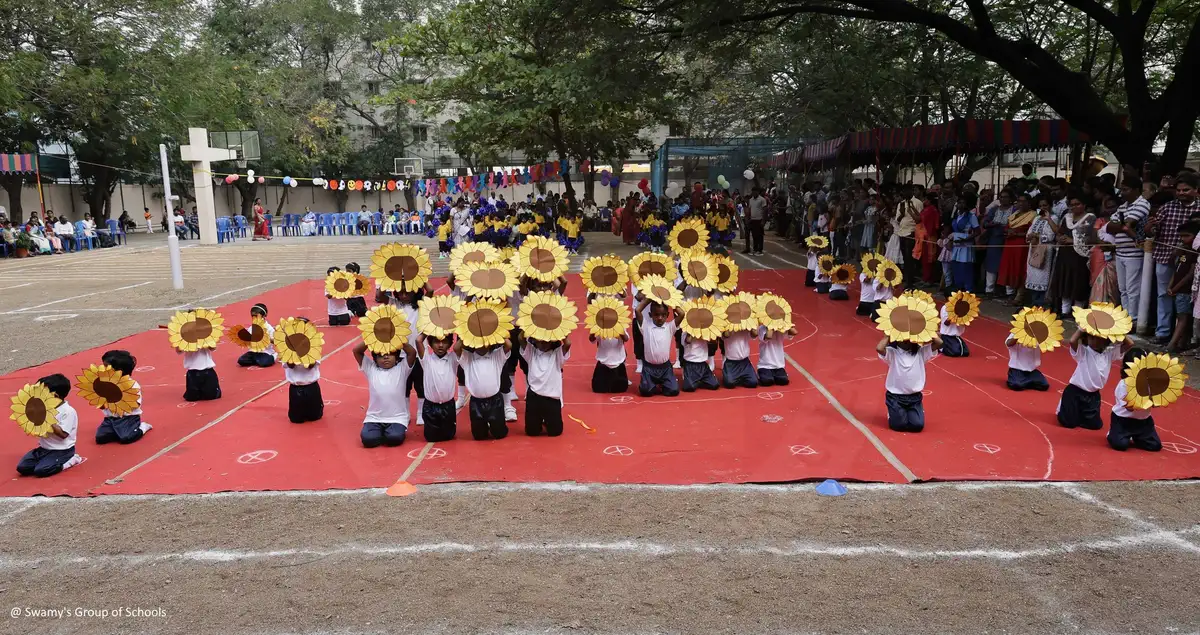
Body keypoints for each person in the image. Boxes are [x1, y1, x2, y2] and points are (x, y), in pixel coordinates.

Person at [1147, 172, 1199, 342]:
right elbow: (1152, 232)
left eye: (1186, 190)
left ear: (1196, 190)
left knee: (1189, 297)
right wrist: (1150, 228)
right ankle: (1163, 332)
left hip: (1192, 262)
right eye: (1179, 190)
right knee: (1164, 294)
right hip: (1165, 257)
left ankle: (1185, 337)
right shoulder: (1167, 207)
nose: (1181, 193)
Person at [1057, 328, 1134, 431]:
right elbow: (1072, 341)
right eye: (1091, 338)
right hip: (1075, 392)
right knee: (1068, 423)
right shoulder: (1084, 352)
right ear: (1086, 338)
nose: (1095, 341)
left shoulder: (1109, 354)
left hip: (1093, 395)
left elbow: (1130, 344)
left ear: (1106, 340)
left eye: (1099, 338)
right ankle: (1063, 407)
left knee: (1095, 425)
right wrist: (1081, 329)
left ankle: (1079, 414)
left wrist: (1117, 331)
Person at [15, 374, 86, 477]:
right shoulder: (44, 407)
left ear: (55, 396)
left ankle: (71, 460)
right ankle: (46, 460)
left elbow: (63, 435)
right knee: (23, 467)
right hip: (43, 448)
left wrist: (47, 418)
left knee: (42, 470)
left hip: (61, 450)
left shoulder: (68, 411)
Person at [353, 337, 417, 448]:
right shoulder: (371, 368)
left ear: (397, 357)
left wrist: (397, 338)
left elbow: (412, 352)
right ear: (375, 358)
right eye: (381, 355)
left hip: (397, 418)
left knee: (394, 438)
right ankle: (380, 433)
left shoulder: (402, 368)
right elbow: (356, 351)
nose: (386, 357)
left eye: (390, 354)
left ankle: (388, 433)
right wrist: (373, 337)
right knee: (368, 439)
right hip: (374, 418)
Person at [877, 334, 943, 433]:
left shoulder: (921, 352)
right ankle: (892, 413)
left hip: (914, 397)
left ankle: (914, 412)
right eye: (903, 338)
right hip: (895, 396)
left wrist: (926, 331)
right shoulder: (893, 353)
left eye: (909, 338)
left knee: (917, 426)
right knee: (898, 425)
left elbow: (940, 343)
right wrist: (889, 334)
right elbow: (879, 348)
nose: (906, 340)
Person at [1107, 177, 1151, 321]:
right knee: (1123, 289)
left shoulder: (1142, 204)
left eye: (1125, 189)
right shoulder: (1123, 206)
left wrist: (1122, 226)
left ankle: (1134, 318)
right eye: (1121, 189)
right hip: (1120, 252)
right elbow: (1110, 226)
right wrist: (1122, 226)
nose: (1122, 193)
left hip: (1134, 253)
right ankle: (1126, 317)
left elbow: (1128, 224)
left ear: (1136, 190)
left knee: (1133, 289)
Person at [1048, 194, 1096, 319]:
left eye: (1077, 204)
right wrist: (1061, 238)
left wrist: (1072, 241)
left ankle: (1078, 312)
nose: (1074, 207)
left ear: (1084, 205)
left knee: (1078, 282)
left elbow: (1091, 237)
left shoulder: (1090, 218)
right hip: (1065, 254)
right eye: (1072, 205)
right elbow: (1060, 232)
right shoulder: (1067, 217)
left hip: (1080, 255)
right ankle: (1065, 311)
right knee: (1065, 280)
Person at [455, 335, 511, 441]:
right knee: (479, 436)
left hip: (495, 401)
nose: (482, 344)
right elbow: (456, 348)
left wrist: (496, 331)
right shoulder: (468, 357)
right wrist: (466, 334)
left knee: (499, 433)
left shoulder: (496, 355)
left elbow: (508, 344)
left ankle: (498, 425)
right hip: (476, 402)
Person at [1107, 348, 1163, 452]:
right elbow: (1130, 408)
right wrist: (1147, 399)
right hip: (1123, 420)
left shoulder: (1151, 383)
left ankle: (1137, 436)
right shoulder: (1124, 385)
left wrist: (1157, 398)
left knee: (1155, 445)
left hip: (1143, 421)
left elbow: (1157, 403)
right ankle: (1113, 433)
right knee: (1120, 445)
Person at [95, 350, 152, 444]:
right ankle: (117, 431)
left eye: (106, 367)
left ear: (119, 371)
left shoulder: (132, 385)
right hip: (111, 418)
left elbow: (135, 404)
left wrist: (117, 401)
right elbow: (101, 404)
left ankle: (142, 427)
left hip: (128, 418)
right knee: (100, 438)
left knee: (126, 438)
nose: (103, 370)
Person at [520, 334, 570, 437]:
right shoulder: (531, 352)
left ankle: (547, 420)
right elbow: (520, 338)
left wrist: (560, 331)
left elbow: (568, 343)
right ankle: (539, 420)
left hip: (551, 398)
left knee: (555, 432)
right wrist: (529, 328)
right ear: (535, 341)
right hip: (534, 397)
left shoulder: (557, 354)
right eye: (540, 341)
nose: (543, 343)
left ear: (552, 341)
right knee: (531, 432)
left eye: (547, 341)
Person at [419, 333, 459, 442]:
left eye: (445, 342)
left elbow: (459, 345)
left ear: (450, 343)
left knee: (449, 436)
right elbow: (418, 341)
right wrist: (429, 327)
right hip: (430, 406)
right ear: (430, 343)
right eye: (436, 342)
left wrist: (459, 328)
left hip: (448, 406)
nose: (440, 345)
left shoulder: (453, 358)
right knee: (431, 437)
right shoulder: (427, 359)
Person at [1166, 221, 1199, 353]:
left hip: (1184, 290)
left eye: (1187, 236)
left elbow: (1190, 274)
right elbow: (1176, 269)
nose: (1183, 239)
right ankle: (1180, 343)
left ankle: (1171, 345)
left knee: (1182, 318)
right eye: (1181, 236)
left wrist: (1175, 288)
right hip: (1177, 290)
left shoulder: (1194, 252)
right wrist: (1170, 285)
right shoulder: (1182, 251)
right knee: (1182, 316)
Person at [635, 300, 679, 397]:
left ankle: (660, 384)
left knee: (674, 391)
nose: (660, 318)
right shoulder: (645, 326)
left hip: (665, 367)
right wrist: (650, 298)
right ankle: (653, 384)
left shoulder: (670, 327)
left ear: (668, 315)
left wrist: (670, 300)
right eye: (656, 314)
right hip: (649, 367)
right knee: (645, 391)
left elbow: (682, 314)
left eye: (663, 315)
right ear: (650, 314)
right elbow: (638, 310)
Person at [996, 193, 1035, 302]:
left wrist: (1017, 234)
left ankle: (1020, 296)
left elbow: (1033, 232)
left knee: (1020, 268)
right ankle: (1011, 294)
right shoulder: (1014, 214)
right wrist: (1008, 231)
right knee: (1010, 268)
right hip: (1010, 244)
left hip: (1022, 245)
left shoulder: (1033, 215)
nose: (1020, 203)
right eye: (1019, 201)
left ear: (1029, 203)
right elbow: (1007, 227)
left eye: (1023, 201)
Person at [284, 323, 323, 424]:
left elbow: (310, 365)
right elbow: (290, 365)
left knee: (315, 416)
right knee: (296, 419)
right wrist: (294, 350)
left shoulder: (314, 346)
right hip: (296, 387)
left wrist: (303, 350)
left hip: (311, 386)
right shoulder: (288, 348)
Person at [1025, 197, 1058, 307]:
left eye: (1045, 205)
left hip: (1046, 251)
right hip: (1033, 249)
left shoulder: (1054, 218)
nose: (1043, 208)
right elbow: (1029, 232)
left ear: (1050, 206)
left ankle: (1042, 303)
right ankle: (1035, 302)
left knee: (1044, 277)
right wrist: (1030, 236)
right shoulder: (1036, 218)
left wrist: (1037, 235)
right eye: (1040, 206)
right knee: (1032, 276)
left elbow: (1051, 236)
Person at [180, 315, 222, 402]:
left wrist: (204, 341)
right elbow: (179, 349)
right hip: (192, 372)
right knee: (192, 398)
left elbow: (212, 347)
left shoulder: (206, 334)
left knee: (211, 396)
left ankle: (212, 389)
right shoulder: (184, 336)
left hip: (207, 371)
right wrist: (189, 343)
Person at [948, 197, 980, 292]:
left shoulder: (971, 216)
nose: (960, 205)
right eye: (959, 202)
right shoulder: (956, 215)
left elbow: (977, 231)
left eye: (963, 203)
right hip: (956, 244)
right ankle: (958, 288)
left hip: (965, 245)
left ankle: (968, 289)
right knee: (956, 266)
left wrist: (966, 238)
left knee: (965, 267)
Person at [590, 327, 630, 393]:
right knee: (598, 389)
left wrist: (618, 329)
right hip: (603, 362)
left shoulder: (620, 324)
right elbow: (592, 340)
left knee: (620, 389)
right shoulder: (599, 324)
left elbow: (626, 338)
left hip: (618, 362)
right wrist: (593, 330)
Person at [237, 303, 277, 367]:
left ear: (264, 316)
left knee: (264, 363)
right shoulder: (252, 327)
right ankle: (257, 360)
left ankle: (273, 355)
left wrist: (266, 338)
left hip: (265, 351)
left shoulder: (269, 328)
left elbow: (275, 341)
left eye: (257, 316)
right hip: (253, 351)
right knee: (241, 360)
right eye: (253, 316)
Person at [721, 322, 758, 388]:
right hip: (731, 362)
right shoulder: (726, 323)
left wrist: (750, 324)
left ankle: (740, 377)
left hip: (745, 362)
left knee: (753, 382)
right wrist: (733, 323)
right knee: (729, 383)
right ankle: (729, 374)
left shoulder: (746, 321)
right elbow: (726, 335)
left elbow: (755, 334)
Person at [745, 187, 767, 256]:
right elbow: (749, 209)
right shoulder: (751, 200)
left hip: (759, 219)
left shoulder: (762, 200)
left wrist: (763, 220)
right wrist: (748, 219)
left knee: (759, 235)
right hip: (753, 219)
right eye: (753, 192)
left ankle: (760, 250)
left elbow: (765, 210)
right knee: (754, 235)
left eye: (755, 192)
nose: (753, 193)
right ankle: (755, 249)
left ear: (758, 192)